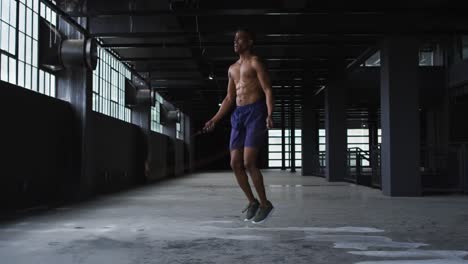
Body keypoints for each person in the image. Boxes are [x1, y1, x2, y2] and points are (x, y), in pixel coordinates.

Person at [203, 29, 275, 224]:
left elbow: (267, 89)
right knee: (235, 163)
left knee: (249, 162)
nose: (235, 42)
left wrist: (269, 113)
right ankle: (252, 202)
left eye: (239, 39)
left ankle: (265, 204)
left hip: (256, 112)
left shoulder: (255, 62)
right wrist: (214, 119)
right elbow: (229, 98)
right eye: (234, 39)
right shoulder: (232, 68)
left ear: (249, 41)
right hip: (238, 115)